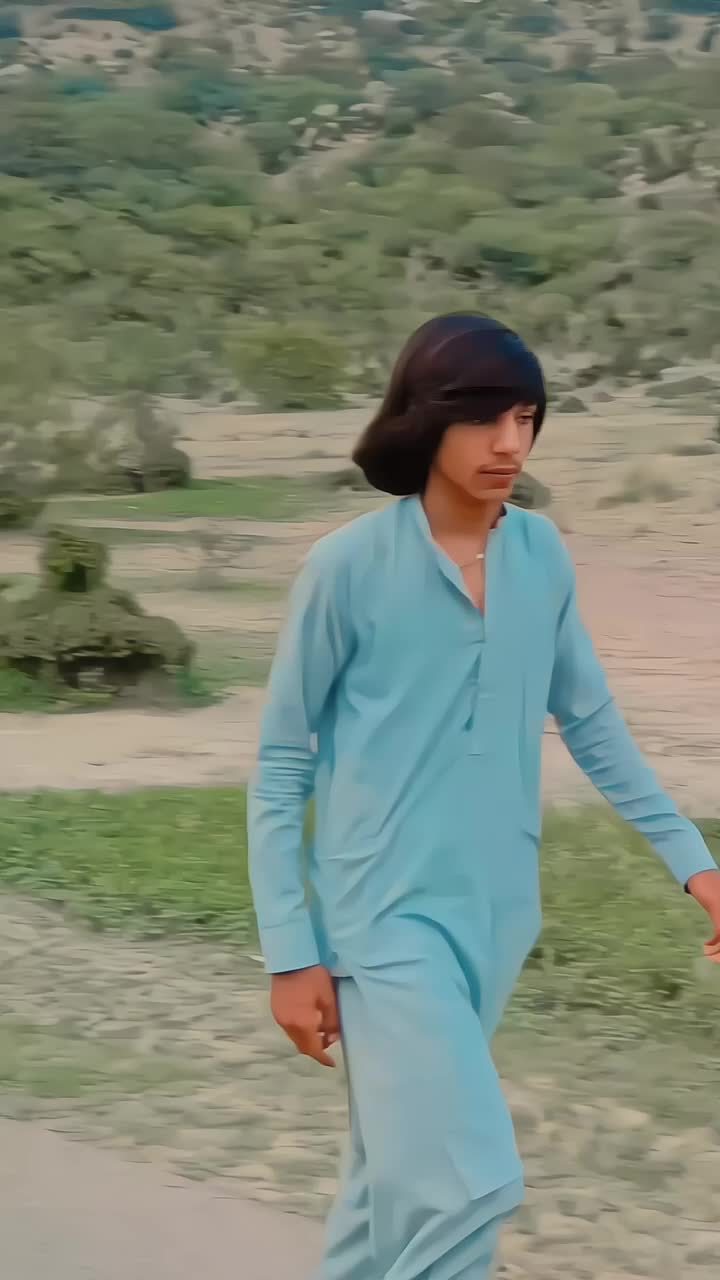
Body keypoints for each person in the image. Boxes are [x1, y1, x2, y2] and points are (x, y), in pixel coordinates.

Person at [247, 314, 720, 1280]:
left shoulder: (540, 555)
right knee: (469, 1187)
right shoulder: (346, 569)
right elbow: (283, 763)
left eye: (526, 418)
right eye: (485, 418)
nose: (510, 443)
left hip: (497, 917)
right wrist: (291, 952)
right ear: (426, 417)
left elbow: (590, 723)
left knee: (386, 1191)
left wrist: (695, 863)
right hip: (382, 919)